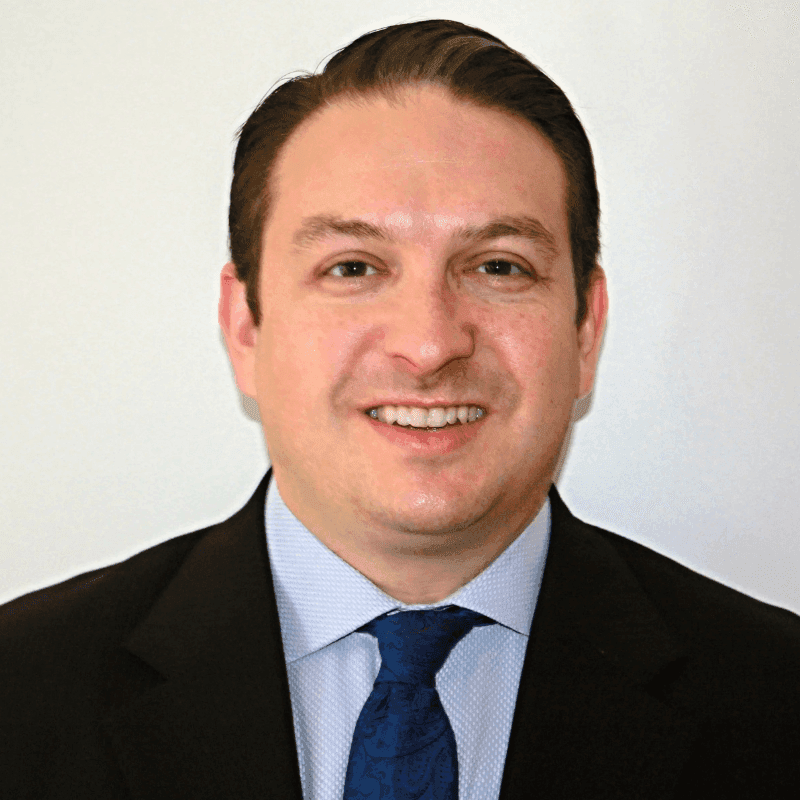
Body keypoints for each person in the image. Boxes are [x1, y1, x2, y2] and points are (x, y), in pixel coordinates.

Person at [1, 19, 798, 800]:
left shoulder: (777, 702)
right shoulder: (21, 693)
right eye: (352, 267)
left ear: (585, 330)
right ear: (245, 326)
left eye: (498, 266)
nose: (429, 344)